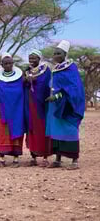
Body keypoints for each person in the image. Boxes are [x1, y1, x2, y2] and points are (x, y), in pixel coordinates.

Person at [45, 40, 85, 170]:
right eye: (55, 53)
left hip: (68, 106)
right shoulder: (56, 69)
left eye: (59, 53)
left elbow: (73, 88)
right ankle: (58, 159)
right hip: (55, 106)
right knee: (56, 131)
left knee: (70, 130)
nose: (55, 55)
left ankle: (74, 160)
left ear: (65, 54)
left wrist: (57, 96)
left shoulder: (71, 68)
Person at [0, 53, 25, 168]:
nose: (8, 65)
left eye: (10, 63)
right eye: (6, 63)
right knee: (1, 132)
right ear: (2, 65)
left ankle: (15, 159)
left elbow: (22, 92)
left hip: (16, 111)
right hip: (1, 111)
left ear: (13, 64)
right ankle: (2, 158)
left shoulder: (19, 78)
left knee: (16, 131)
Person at [24, 50, 52, 167]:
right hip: (30, 105)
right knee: (31, 130)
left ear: (39, 59)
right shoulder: (27, 71)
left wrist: (35, 81)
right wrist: (26, 80)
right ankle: (33, 156)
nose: (31, 60)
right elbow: (23, 86)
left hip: (42, 106)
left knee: (42, 129)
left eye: (34, 58)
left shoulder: (45, 70)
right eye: (30, 58)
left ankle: (45, 157)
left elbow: (47, 86)